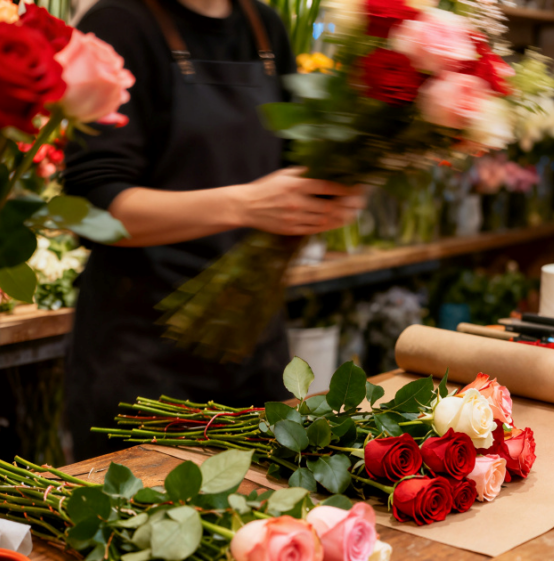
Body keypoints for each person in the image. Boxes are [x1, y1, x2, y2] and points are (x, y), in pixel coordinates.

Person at [62, 0, 364, 458]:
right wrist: (245, 204)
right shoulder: (118, 24)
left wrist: (330, 193)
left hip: (256, 351)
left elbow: (290, 168)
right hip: (144, 362)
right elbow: (92, 208)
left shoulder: (265, 27)